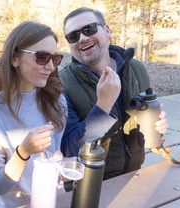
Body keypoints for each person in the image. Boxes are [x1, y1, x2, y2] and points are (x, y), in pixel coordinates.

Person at [60, 7, 168, 180]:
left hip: (134, 174)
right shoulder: (62, 83)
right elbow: (70, 148)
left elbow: (146, 121)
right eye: (73, 36)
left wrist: (157, 128)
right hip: (89, 185)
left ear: (107, 30)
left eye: (89, 29)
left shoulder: (136, 68)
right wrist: (103, 107)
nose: (83, 38)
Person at [0, 21, 68, 208]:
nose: (50, 66)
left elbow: (57, 158)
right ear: (15, 58)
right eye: (42, 57)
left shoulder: (57, 101)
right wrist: (23, 152)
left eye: (55, 58)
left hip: (54, 207)